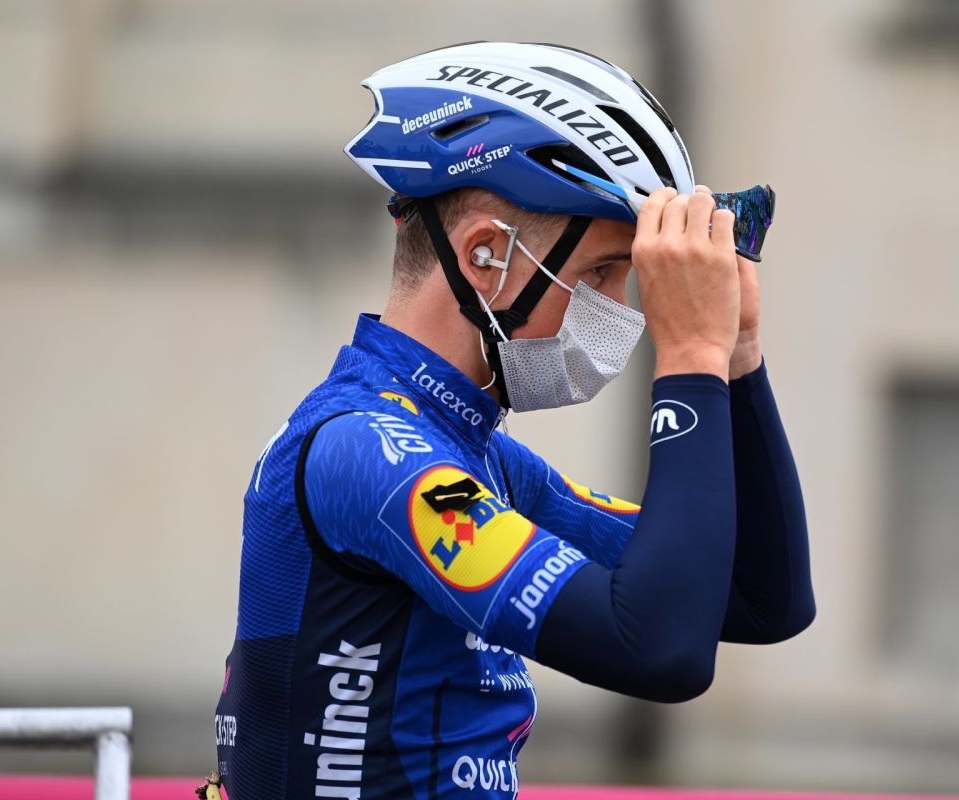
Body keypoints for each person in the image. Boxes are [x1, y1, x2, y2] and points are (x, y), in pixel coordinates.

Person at [213, 41, 814, 799]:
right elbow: (661, 650)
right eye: (602, 272)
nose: (623, 311)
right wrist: (689, 352)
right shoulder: (362, 446)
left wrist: (737, 356)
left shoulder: (479, 458)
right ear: (486, 258)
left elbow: (762, 598)